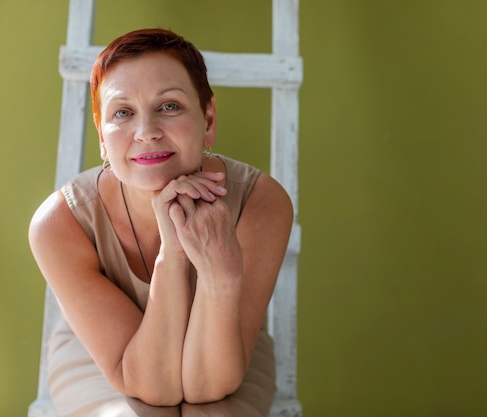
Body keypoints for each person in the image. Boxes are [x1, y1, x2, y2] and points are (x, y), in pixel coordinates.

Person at [29, 28, 293, 417]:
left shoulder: (260, 201)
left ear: (208, 118)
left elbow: (209, 386)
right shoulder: (60, 222)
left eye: (169, 106)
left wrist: (221, 273)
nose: (147, 132)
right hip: (100, 357)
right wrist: (174, 254)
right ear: (102, 137)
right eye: (123, 113)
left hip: (231, 354)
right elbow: (153, 389)